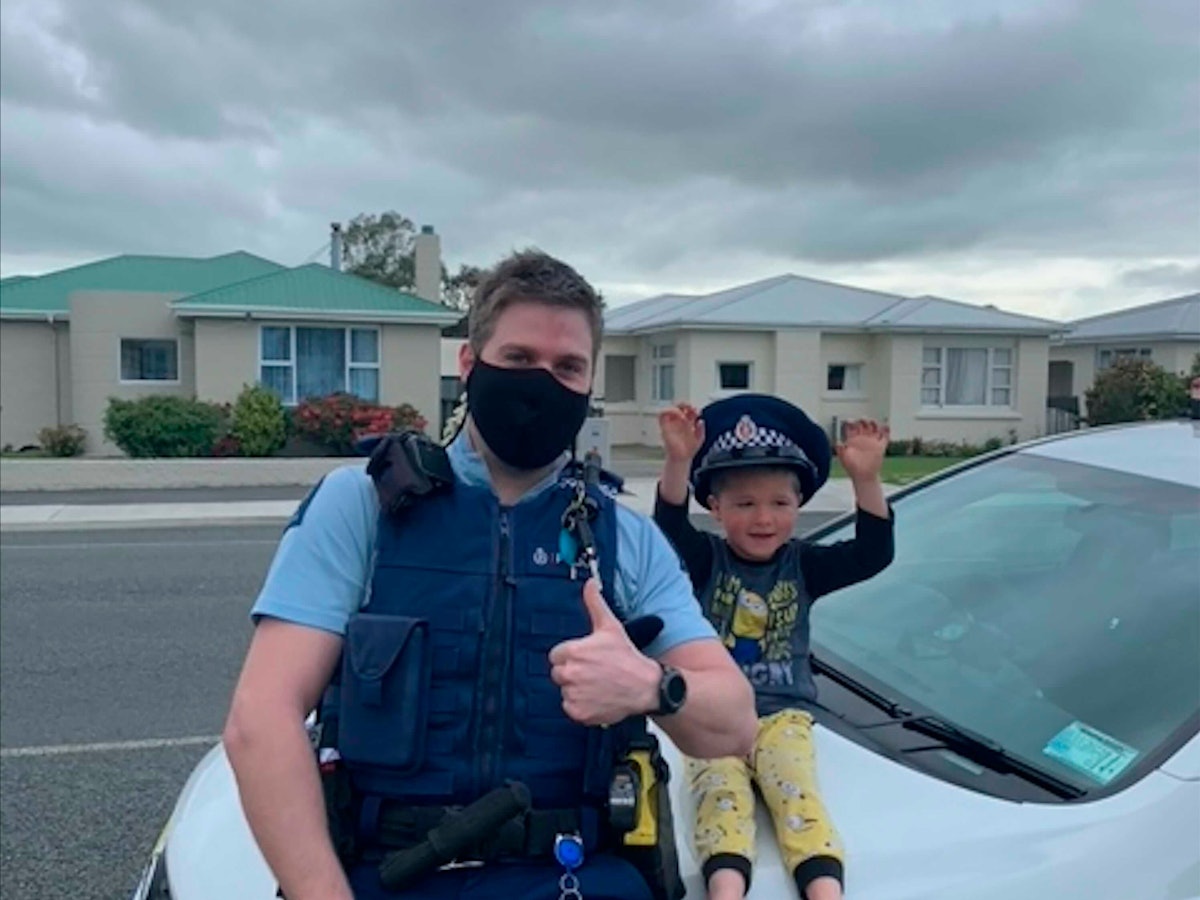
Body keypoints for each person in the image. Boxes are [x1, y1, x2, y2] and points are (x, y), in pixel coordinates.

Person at [222, 250, 759, 900]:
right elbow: (261, 719)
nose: (542, 384)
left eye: (567, 368)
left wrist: (652, 685)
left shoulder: (625, 538)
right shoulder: (360, 507)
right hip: (383, 876)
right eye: (519, 359)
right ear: (470, 366)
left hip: (573, 879)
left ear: (588, 386)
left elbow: (734, 722)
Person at [652, 396, 895, 900]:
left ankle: (825, 892)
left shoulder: (802, 566)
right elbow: (670, 528)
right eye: (745, 504)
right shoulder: (705, 560)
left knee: (798, 798)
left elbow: (872, 554)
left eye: (780, 504)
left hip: (784, 715)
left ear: (798, 506)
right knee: (719, 798)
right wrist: (678, 460)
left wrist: (866, 479)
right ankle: (725, 892)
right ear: (715, 508)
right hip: (715, 714)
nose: (764, 519)